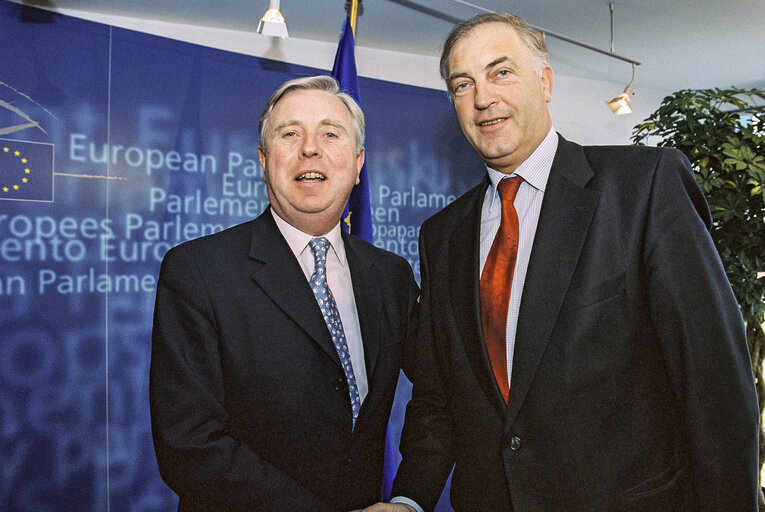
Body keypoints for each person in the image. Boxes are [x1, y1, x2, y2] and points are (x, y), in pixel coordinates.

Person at [367, 13, 759, 512]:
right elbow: (439, 398)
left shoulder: (643, 187)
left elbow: (715, 388)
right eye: (462, 84)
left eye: (501, 72)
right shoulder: (442, 236)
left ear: (546, 82)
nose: (482, 97)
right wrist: (408, 499)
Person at [150, 75, 418, 511]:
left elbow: (440, 393)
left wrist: (409, 499)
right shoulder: (197, 271)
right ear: (263, 158)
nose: (310, 148)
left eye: (330, 134)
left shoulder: (391, 276)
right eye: (290, 133)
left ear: (357, 163)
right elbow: (189, 445)